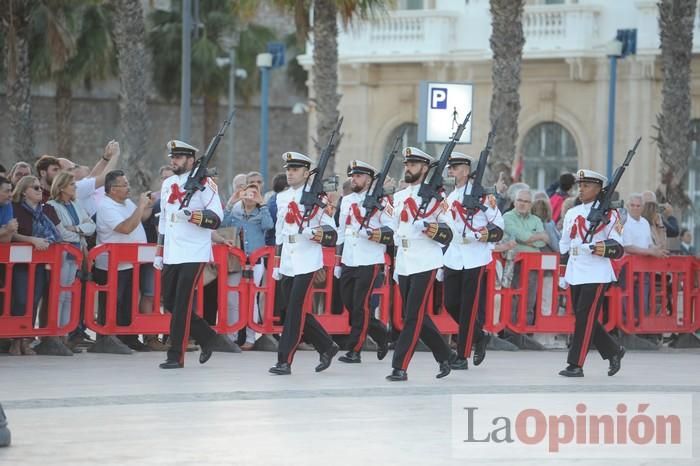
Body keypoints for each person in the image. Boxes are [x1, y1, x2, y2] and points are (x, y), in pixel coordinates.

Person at [154, 140, 224, 369]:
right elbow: (163, 220)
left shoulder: (205, 183)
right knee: (171, 304)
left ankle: (175, 355)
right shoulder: (168, 184)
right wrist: (159, 251)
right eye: (172, 156)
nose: (173, 161)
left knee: (182, 303)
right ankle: (207, 336)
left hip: (194, 250)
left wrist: (193, 216)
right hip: (173, 251)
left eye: (178, 157)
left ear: (191, 160)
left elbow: (216, 217)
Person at [387, 147, 454, 382]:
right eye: (407, 164)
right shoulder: (399, 197)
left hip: (426, 260)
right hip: (405, 260)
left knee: (412, 317)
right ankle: (446, 355)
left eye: (413, 164)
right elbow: (396, 231)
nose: (408, 168)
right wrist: (396, 264)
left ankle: (400, 366)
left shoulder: (437, 199)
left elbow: (448, 232)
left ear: (425, 168)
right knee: (413, 314)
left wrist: (427, 227)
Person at [269, 151, 339, 375]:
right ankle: (327, 345)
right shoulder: (281, 197)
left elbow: (332, 231)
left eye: (295, 169)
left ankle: (284, 360)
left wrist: (314, 233)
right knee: (289, 308)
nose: (290, 173)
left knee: (295, 311)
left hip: (307, 259)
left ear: (307, 173)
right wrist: (277, 264)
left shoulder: (318, 197)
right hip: (288, 259)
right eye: (288, 169)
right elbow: (280, 232)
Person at [558, 169, 625, 377]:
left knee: (585, 317)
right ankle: (614, 350)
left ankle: (575, 364)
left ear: (598, 189)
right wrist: (562, 273)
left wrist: (596, 247)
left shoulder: (610, 214)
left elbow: (618, 246)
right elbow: (564, 245)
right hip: (576, 270)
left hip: (597, 272)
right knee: (582, 317)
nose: (581, 189)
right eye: (580, 185)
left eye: (586, 186)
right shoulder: (572, 213)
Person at [443, 152, 503, 370]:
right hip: (453, 255)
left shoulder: (484, 196)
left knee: (468, 307)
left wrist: (479, 235)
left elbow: (498, 228)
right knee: (450, 303)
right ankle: (479, 336)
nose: (451, 171)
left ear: (467, 170)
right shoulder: (450, 198)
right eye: (450, 168)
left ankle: (462, 355)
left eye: (456, 167)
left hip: (475, 255)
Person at [335, 160, 391, 364]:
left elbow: (391, 229)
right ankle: (381, 334)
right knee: (350, 303)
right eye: (352, 176)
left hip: (369, 258)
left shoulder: (382, 202)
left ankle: (354, 350)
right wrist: (337, 262)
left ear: (369, 179)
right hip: (349, 258)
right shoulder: (347, 200)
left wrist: (373, 233)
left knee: (360, 306)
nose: (354, 179)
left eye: (358, 176)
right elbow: (341, 231)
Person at [94, 170, 154, 352]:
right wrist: (140, 206)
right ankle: (108, 337)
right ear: (112, 189)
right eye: (124, 185)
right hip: (111, 265)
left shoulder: (126, 202)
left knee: (128, 302)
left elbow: (140, 218)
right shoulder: (106, 207)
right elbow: (126, 228)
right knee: (113, 301)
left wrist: (147, 206)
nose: (129, 188)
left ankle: (129, 336)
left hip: (130, 262)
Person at [9, 175, 61, 356]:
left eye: (40, 188)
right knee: (20, 300)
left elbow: (57, 232)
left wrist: (45, 241)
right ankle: (15, 340)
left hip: (41, 263)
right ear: (24, 192)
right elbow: (11, 234)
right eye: (35, 188)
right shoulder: (14, 208)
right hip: (20, 263)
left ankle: (26, 339)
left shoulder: (46, 210)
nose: (40, 191)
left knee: (34, 300)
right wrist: (31, 240)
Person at [218, 182, 274, 349]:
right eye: (247, 194)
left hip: (256, 261)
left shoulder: (261, 213)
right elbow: (222, 223)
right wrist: (231, 201)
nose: (250, 198)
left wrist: (262, 203)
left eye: (254, 194)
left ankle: (250, 338)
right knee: (233, 299)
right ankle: (232, 335)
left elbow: (268, 225)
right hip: (237, 261)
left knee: (253, 299)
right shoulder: (236, 214)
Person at [47, 172, 96, 351]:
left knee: (69, 295)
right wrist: (79, 231)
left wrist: (76, 228)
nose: (75, 187)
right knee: (59, 294)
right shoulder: (51, 206)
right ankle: (55, 333)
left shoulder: (76, 204)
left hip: (76, 254)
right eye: (72, 185)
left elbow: (91, 226)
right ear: (61, 187)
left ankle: (65, 334)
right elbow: (60, 233)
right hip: (62, 255)